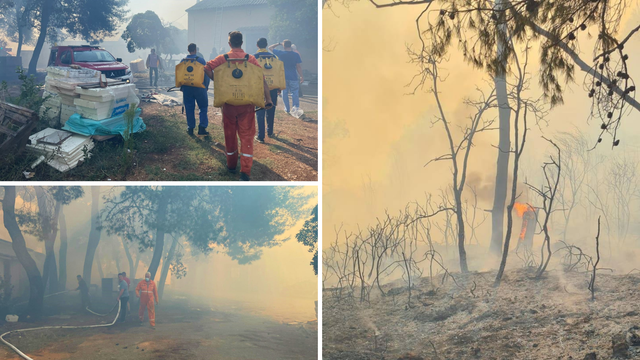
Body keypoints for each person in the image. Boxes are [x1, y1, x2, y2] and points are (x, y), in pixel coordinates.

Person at [204, 31, 273, 181]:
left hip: (229, 105)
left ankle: (231, 165)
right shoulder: (251, 59)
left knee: (230, 135)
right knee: (247, 137)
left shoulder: (223, 58)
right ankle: (245, 171)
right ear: (241, 43)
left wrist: (219, 81)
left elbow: (207, 67)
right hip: (247, 105)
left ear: (229, 44)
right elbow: (262, 79)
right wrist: (268, 99)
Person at [254, 38, 281, 143]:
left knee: (260, 110)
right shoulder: (274, 57)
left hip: (259, 87)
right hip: (272, 87)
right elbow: (279, 72)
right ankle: (270, 132)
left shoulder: (253, 57)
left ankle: (261, 136)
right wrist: (279, 86)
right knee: (271, 109)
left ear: (257, 45)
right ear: (266, 45)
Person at [181, 43, 211, 136]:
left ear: (188, 50)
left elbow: (180, 75)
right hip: (199, 87)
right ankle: (202, 128)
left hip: (187, 87)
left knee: (189, 108)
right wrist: (206, 86)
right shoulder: (201, 60)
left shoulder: (183, 61)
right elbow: (206, 74)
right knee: (203, 107)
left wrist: (182, 87)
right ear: (196, 50)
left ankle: (190, 128)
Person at [269, 40, 303, 114]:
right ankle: (295, 108)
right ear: (290, 46)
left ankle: (287, 108)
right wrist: (301, 76)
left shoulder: (281, 53)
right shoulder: (295, 55)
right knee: (295, 93)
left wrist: (279, 43)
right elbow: (298, 66)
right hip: (293, 76)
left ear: (284, 46)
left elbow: (270, 47)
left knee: (285, 93)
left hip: (283, 76)